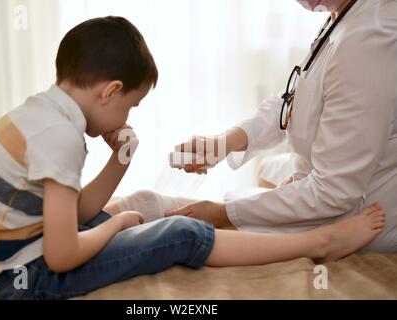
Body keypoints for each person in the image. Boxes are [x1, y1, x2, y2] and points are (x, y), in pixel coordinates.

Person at [0, 16, 386, 300]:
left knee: (136, 204)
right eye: (130, 106)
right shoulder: (61, 138)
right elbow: (62, 255)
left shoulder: (38, 114)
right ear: (111, 91)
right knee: (181, 232)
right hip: (23, 279)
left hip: (4, 259)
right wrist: (119, 223)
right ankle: (320, 242)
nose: (127, 117)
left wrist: (118, 163)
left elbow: (76, 211)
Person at [148, 0, 396, 252]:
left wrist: (223, 214)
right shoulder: (344, 14)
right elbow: (295, 97)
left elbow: (334, 192)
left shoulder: (367, 41)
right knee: (267, 169)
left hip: (354, 204)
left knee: (168, 219)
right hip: (324, 173)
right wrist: (223, 143)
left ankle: (324, 242)